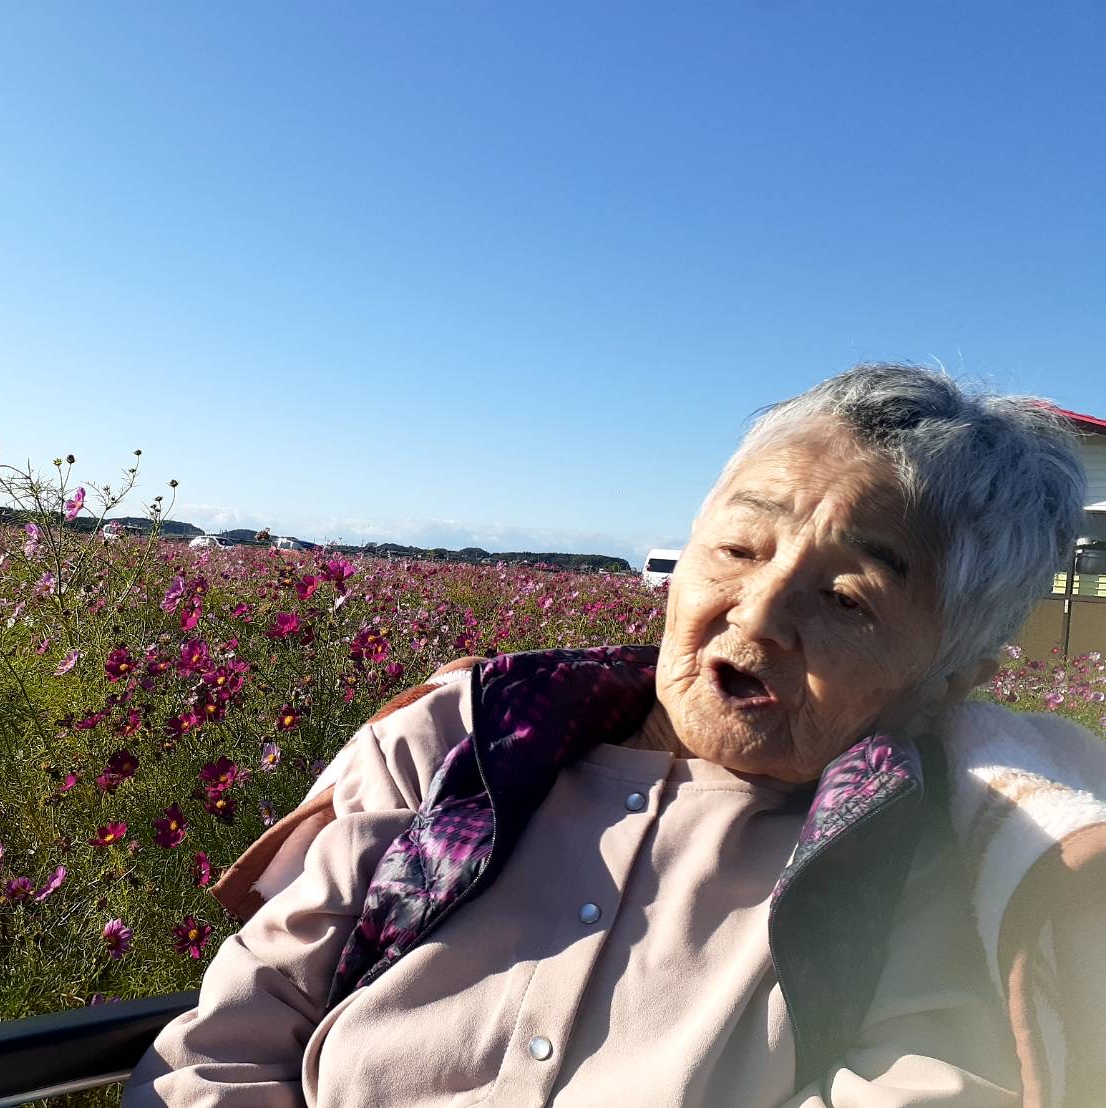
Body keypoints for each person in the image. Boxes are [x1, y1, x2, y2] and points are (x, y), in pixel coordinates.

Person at [124, 364, 1106, 1107]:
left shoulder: (925, 853)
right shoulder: (460, 740)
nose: (756, 615)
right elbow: (224, 1048)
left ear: (951, 678)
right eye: (736, 547)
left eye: (848, 597)